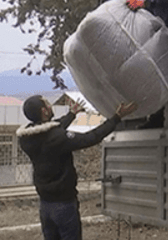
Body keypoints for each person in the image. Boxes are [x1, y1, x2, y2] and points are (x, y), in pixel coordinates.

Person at [17, 96, 137, 240]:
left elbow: (53, 126)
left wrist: (72, 114)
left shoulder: (26, 139)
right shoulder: (57, 138)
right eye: (48, 104)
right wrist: (117, 117)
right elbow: (91, 137)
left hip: (45, 205)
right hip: (64, 205)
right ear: (45, 111)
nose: (51, 106)